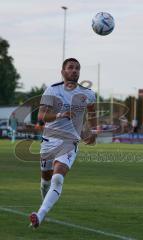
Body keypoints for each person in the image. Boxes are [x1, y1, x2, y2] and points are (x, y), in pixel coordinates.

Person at [29, 58, 97, 228]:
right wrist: (60, 114)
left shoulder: (88, 94)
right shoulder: (52, 90)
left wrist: (91, 133)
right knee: (46, 179)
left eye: (77, 68)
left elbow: (89, 117)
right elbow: (41, 116)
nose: (74, 71)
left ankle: (40, 215)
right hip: (49, 140)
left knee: (58, 178)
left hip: (69, 141)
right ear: (63, 71)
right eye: (71, 67)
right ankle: (44, 206)